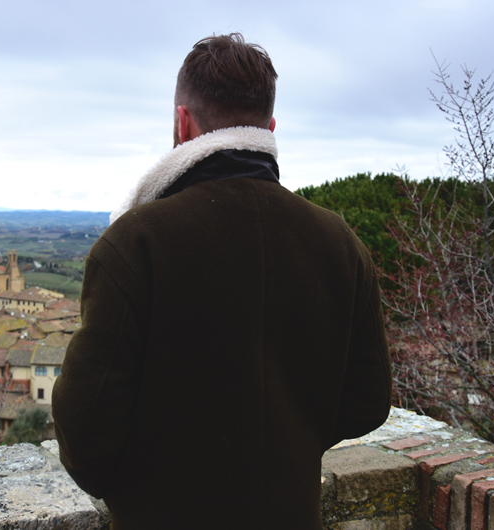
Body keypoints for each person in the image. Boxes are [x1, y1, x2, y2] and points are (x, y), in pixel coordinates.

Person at [51, 33, 391, 529]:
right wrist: (289, 445)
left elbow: (83, 440)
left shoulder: (135, 244)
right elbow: (367, 403)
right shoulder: (339, 242)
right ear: (269, 128)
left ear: (181, 123)